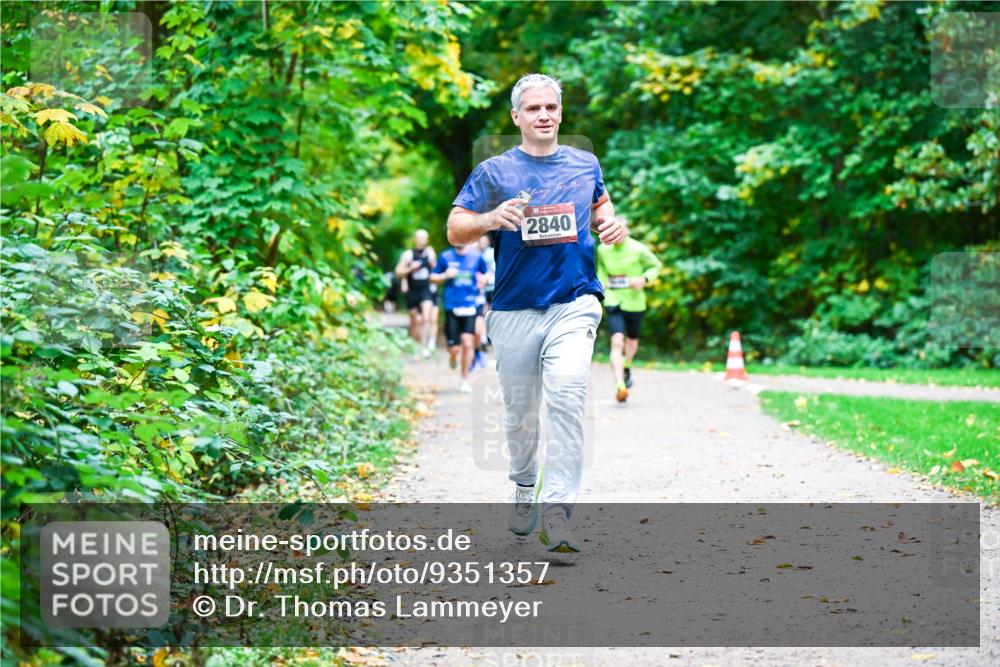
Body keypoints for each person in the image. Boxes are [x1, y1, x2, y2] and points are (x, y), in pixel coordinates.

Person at [447, 73, 627, 552]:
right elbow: (455, 228)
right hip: (513, 310)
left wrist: (613, 225)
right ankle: (524, 483)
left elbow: (601, 210)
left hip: (574, 301)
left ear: (561, 113)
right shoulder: (494, 172)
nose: (543, 115)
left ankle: (559, 513)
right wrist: (489, 219)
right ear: (516, 118)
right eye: (533, 109)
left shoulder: (585, 163)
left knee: (568, 395)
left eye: (551, 108)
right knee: (519, 415)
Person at [596, 224, 663, 402]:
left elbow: (656, 266)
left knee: (632, 340)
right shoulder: (603, 249)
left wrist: (644, 279)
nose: (616, 235)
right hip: (613, 300)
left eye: (619, 231)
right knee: (617, 341)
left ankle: (627, 365)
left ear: (626, 231)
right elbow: (601, 270)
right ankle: (620, 385)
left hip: (634, 302)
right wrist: (602, 284)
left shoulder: (638, 249)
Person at [430, 243, 488, 393]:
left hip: (470, 305)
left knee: (468, 342)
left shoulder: (476, 256)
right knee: (454, 349)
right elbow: (432, 277)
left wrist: (484, 279)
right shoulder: (445, 256)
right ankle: (453, 357)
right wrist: (444, 275)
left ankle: (464, 380)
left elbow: (488, 273)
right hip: (452, 307)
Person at [394, 230, 436, 358]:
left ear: (427, 240)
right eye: (419, 238)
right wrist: (410, 268)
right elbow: (398, 271)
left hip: (426, 289)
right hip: (413, 290)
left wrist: (432, 257)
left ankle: (424, 347)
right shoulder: (408, 254)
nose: (422, 240)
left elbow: (436, 268)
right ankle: (414, 346)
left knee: (426, 318)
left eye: (424, 238)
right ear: (415, 239)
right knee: (414, 321)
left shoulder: (430, 253)